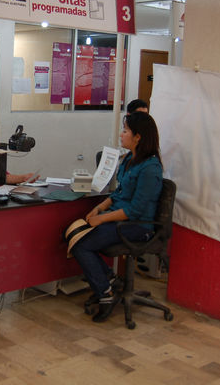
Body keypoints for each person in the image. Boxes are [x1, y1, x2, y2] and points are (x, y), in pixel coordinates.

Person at [72, 112, 163, 322]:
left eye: (125, 131)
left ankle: (105, 294)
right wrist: (99, 208)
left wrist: (102, 219)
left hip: (137, 226)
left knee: (81, 244)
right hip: (120, 220)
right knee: (74, 234)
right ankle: (110, 281)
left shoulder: (151, 168)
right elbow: (119, 193)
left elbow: (135, 210)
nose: (121, 135)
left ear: (138, 137)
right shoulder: (130, 159)